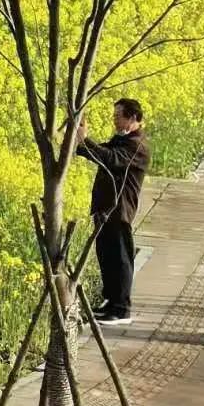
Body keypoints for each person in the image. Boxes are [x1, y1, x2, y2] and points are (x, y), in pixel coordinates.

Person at [76, 98, 151, 326]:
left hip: (119, 210)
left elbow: (111, 159)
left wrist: (84, 140)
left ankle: (121, 308)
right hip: (106, 209)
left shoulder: (138, 146)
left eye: (118, 116)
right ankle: (111, 301)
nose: (114, 120)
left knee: (121, 259)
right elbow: (101, 152)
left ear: (132, 118)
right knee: (106, 257)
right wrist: (78, 143)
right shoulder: (123, 140)